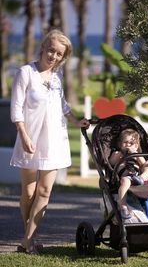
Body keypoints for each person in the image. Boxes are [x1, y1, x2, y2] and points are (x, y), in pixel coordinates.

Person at [10, 29, 90, 254]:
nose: (53, 56)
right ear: (43, 47)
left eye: (59, 54)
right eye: (51, 50)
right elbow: (16, 109)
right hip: (30, 138)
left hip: (54, 139)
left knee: (44, 192)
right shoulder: (25, 72)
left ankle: (28, 241)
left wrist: (76, 121)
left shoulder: (57, 76)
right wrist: (24, 136)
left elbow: (62, 105)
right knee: (28, 194)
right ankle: (29, 237)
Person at [109, 128, 148, 222]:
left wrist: (135, 154)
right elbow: (110, 162)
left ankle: (142, 178)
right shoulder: (117, 153)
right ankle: (123, 207)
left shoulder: (137, 154)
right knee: (125, 181)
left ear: (136, 145)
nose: (128, 145)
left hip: (138, 176)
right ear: (120, 144)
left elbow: (143, 164)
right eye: (125, 142)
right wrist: (120, 154)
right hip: (126, 177)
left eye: (131, 143)